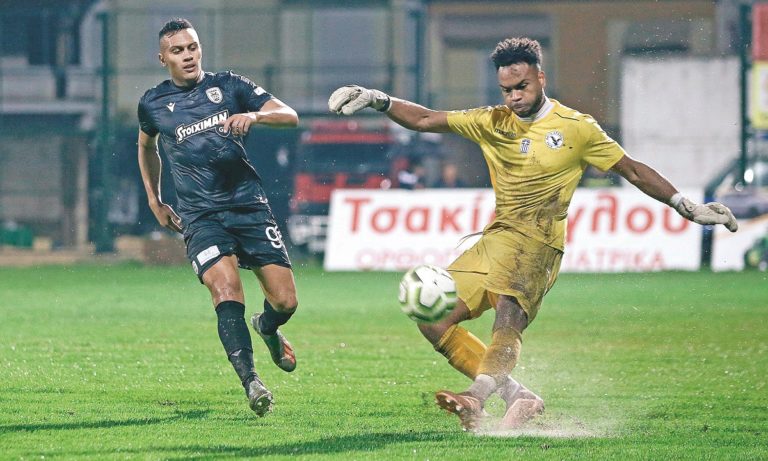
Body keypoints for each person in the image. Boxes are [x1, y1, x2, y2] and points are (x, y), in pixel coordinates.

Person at [328, 37, 738, 431]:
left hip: (538, 244)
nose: (514, 97)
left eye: (521, 86)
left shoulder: (577, 128)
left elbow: (630, 168)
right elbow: (424, 119)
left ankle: (476, 397)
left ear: (541, 78)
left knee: (507, 318)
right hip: (494, 240)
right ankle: (519, 396)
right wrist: (379, 99)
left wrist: (686, 205)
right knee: (431, 319)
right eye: (506, 90)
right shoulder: (492, 121)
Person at [137, 18, 299, 417]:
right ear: (162, 58)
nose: (188, 56)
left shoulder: (229, 85)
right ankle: (252, 382)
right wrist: (156, 201)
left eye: (192, 47)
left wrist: (256, 117)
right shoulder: (153, 103)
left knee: (285, 301)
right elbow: (146, 147)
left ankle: (268, 327)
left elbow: (289, 115)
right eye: (178, 50)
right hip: (201, 216)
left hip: (248, 205)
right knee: (226, 290)